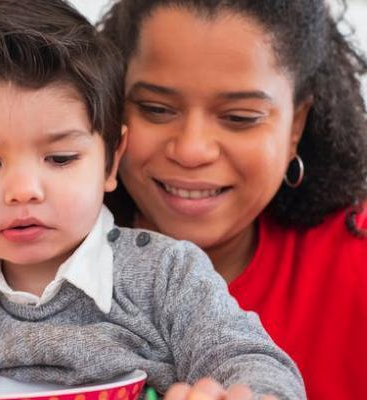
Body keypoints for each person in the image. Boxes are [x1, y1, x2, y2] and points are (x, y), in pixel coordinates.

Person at [0, 1, 306, 399]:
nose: (24, 189)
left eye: (60, 158)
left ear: (110, 161)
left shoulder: (166, 278)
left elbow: (258, 365)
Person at [96, 0, 367, 399]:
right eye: (155, 109)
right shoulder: (25, 276)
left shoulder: (355, 266)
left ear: (296, 125)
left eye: (240, 117)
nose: (191, 150)